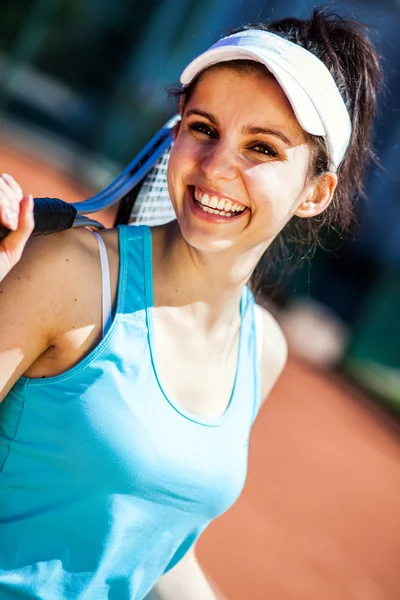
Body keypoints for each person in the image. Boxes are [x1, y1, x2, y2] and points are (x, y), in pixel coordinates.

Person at [0, 9, 381, 600]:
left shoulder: (264, 351)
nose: (217, 166)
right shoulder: (71, 273)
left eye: (261, 146)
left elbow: (153, 546)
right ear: (175, 134)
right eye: (203, 128)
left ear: (315, 192)